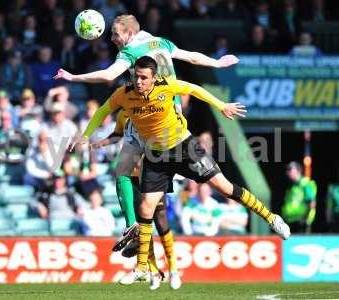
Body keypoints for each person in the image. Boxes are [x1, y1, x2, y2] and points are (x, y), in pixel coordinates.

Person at [73, 56, 291, 288]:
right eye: (136, 76)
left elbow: (196, 89)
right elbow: (102, 111)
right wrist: (86, 135)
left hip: (184, 148)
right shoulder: (123, 94)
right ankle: (141, 268)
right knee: (146, 207)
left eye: (143, 77)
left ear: (154, 78)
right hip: (156, 157)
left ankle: (271, 218)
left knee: (225, 188)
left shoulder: (167, 85)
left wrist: (221, 105)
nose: (138, 81)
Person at [54, 14, 239, 253]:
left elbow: (109, 75)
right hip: (170, 113)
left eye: (115, 34)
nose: (111, 39)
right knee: (131, 172)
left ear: (129, 34)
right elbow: (191, 57)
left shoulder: (129, 52)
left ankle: (136, 228)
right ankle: (138, 232)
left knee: (127, 172)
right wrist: (216, 63)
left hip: (150, 114)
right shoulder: (160, 42)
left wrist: (73, 77)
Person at [91, 108, 180, 289]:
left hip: (155, 172)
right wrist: (102, 142)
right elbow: (117, 134)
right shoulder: (124, 114)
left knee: (160, 219)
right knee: (143, 223)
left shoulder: (153, 111)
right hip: (134, 176)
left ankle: (173, 269)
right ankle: (154, 270)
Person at [282, 161, 317, 233]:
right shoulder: (291, 186)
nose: (287, 172)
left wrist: (305, 219)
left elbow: (311, 203)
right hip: (290, 221)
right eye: (287, 170)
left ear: (298, 171)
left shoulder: (305, 183)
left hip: (301, 223)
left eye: (290, 169)